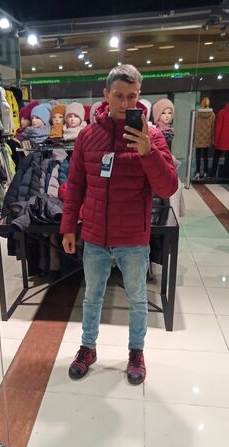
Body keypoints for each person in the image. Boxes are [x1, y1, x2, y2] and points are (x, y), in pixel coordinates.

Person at [60, 64, 178, 385]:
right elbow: (76, 184)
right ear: (106, 95)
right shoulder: (87, 135)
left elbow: (168, 187)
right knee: (92, 296)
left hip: (133, 237)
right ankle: (88, 348)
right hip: (95, 234)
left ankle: (136, 352)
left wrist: (148, 153)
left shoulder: (152, 136)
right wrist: (69, 226)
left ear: (139, 96)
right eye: (119, 96)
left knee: (137, 299)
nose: (126, 103)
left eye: (132, 96)